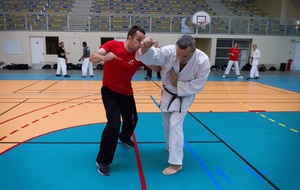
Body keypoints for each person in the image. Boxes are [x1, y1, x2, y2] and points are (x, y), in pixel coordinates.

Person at [136, 35, 210, 175]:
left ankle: (176, 163)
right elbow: (156, 56)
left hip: (185, 95)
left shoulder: (202, 60)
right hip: (167, 92)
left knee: (175, 123)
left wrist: (179, 84)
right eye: (179, 54)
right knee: (166, 121)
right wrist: (146, 49)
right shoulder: (170, 51)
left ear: (194, 51)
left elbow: (198, 85)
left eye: (185, 56)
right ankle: (170, 145)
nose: (181, 58)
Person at [89, 25, 146, 176]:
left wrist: (154, 51)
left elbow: (157, 67)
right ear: (129, 38)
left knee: (133, 121)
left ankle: (124, 137)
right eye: (138, 40)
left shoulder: (140, 55)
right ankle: (103, 160)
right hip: (109, 92)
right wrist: (103, 57)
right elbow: (92, 57)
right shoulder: (113, 45)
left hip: (127, 93)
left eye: (143, 41)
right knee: (114, 123)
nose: (141, 43)